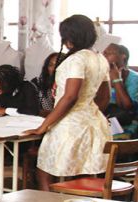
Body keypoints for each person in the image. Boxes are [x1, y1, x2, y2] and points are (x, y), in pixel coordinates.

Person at [24, 15, 111, 191]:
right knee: (82, 173)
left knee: (45, 170)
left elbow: (70, 96)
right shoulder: (100, 58)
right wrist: (89, 112)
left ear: (69, 37)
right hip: (94, 123)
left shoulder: (76, 59)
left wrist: (44, 126)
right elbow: (104, 96)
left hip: (70, 124)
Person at [102, 43, 138, 128]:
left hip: (127, 116)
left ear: (123, 56)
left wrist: (117, 80)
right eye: (104, 53)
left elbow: (127, 106)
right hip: (107, 114)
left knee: (121, 114)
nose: (104, 56)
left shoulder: (136, 78)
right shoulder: (103, 75)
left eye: (109, 53)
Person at [30, 53, 59, 117]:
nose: (54, 68)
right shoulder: (37, 83)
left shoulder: (71, 86)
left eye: (58, 64)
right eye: (51, 65)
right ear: (46, 68)